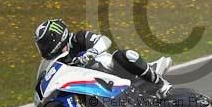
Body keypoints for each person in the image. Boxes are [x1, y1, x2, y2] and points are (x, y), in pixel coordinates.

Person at [33, 18, 173, 97]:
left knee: (124, 55)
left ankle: (161, 85)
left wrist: (91, 53)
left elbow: (105, 40)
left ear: (56, 38)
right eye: (41, 45)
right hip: (96, 86)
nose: (43, 48)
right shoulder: (57, 61)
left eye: (45, 43)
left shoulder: (78, 39)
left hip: (113, 71)